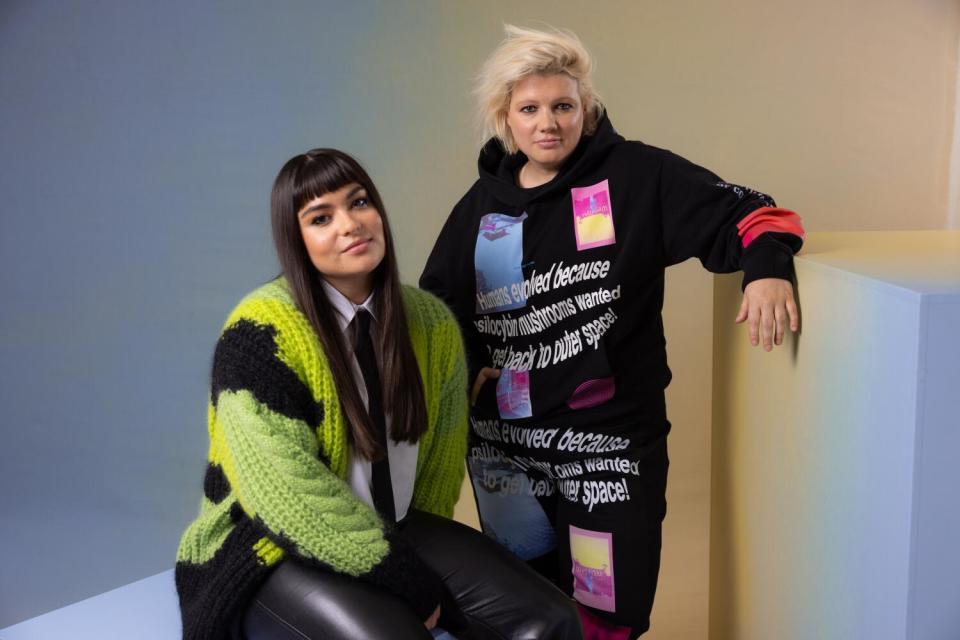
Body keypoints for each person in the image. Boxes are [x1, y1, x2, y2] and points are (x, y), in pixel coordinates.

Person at [419, 25, 805, 638]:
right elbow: (435, 307)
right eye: (530, 109)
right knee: (525, 605)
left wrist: (765, 270)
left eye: (563, 106)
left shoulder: (634, 176)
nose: (549, 122)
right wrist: (465, 365)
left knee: (606, 610)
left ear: (586, 109)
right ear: (506, 120)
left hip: (607, 447)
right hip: (505, 451)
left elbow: (752, 212)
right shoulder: (480, 208)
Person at [175, 148, 581, 640]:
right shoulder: (261, 332)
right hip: (273, 543)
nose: (350, 225)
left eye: (359, 202)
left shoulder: (430, 325)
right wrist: (405, 580)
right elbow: (285, 494)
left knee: (551, 622)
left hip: (394, 527)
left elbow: (437, 469)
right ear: (295, 239)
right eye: (320, 217)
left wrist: (413, 558)